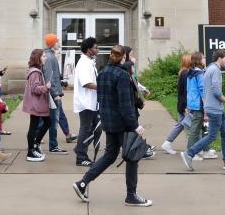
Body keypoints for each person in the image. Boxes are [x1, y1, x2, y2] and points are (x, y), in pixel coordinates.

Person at [72, 45, 151, 208]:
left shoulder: (103, 72)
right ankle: (131, 195)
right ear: (123, 58)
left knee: (110, 155)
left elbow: (102, 97)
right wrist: (134, 125)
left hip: (108, 121)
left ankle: (82, 183)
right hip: (123, 123)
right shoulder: (122, 75)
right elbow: (125, 104)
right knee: (132, 156)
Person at [181, 49, 225, 171]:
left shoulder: (209, 69)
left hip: (215, 108)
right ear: (219, 58)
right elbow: (216, 91)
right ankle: (189, 153)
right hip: (215, 109)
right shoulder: (215, 70)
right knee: (212, 136)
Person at [72, 37, 99, 167]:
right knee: (86, 129)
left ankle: (79, 149)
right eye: (95, 47)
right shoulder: (84, 63)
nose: (97, 50)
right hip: (86, 102)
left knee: (96, 129)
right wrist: (103, 86)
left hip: (92, 102)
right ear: (89, 50)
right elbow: (86, 83)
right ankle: (81, 157)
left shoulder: (89, 61)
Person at [159, 53, 192, 155]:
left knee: (181, 125)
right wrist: (187, 106)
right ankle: (190, 150)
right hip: (185, 105)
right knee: (189, 126)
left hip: (182, 104)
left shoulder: (183, 73)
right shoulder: (186, 74)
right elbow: (187, 91)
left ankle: (168, 143)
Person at [43, 33, 70, 154]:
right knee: (53, 121)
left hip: (55, 93)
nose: (59, 43)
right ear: (53, 44)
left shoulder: (51, 56)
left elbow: (54, 77)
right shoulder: (49, 57)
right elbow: (49, 78)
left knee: (50, 119)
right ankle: (53, 146)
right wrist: (55, 94)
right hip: (53, 95)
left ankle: (34, 141)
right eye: (57, 41)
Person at [183, 51, 214, 160]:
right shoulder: (199, 74)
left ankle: (202, 149)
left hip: (193, 104)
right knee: (196, 129)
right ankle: (190, 152)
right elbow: (202, 91)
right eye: (203, 58)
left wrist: (188, 105)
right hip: (200, 105)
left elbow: (188, 90)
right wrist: (206, 106)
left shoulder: (190, 73)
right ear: (198, 60)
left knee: (200, 128)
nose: (205, 60)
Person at [22, 48, 51, 162]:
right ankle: (31, 151)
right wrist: (46, 87)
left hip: (36, 103)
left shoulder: (35, 70)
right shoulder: (35, 72)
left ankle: (35, 145)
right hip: (36, 104)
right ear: (38, 58)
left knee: (46, 122)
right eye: (43, 56)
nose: (45, 58)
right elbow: (35, 89)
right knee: (34, 126)